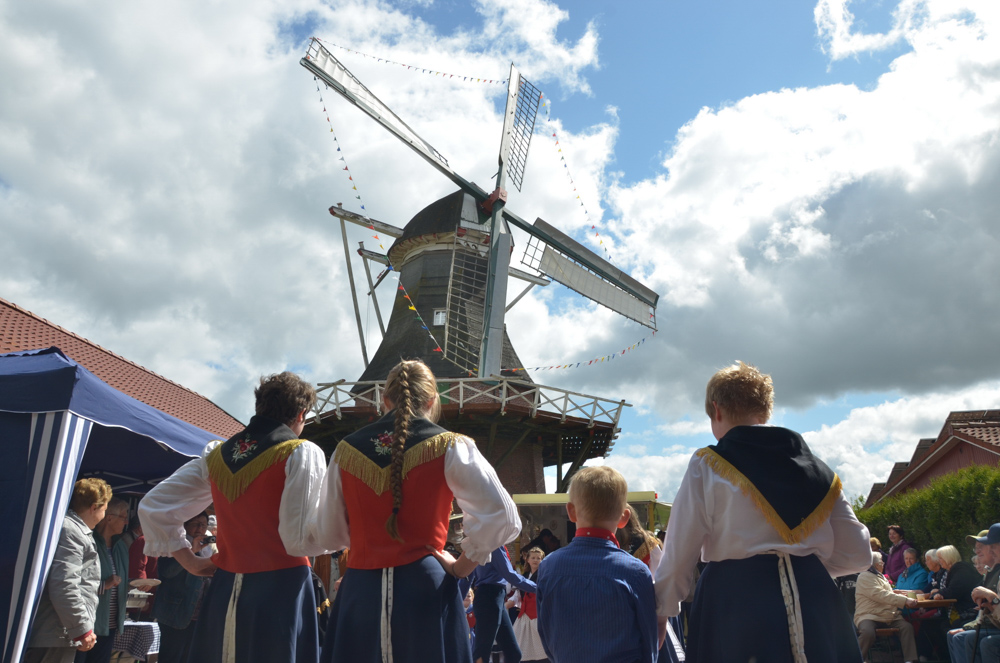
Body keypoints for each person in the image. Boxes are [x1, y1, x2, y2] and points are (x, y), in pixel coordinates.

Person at [654, 361, 872, 663]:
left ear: (716, 410)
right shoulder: (818, 470)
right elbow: (859, 554)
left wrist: (662, 610)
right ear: (766, 410)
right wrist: (801, 563)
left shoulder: (707, 464)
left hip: (736, 602)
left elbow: (679, 553)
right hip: (815, 600)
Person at [314, 359, 522, 663]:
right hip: (426, 588)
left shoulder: (346, 450)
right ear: (432, 400)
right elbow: (502, 517)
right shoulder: (451, 446)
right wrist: (462, 567)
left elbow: (328, 534)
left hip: (361, 592)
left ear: (384, 400)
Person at [139, 371, 331, 663]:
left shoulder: (218, 454)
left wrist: (191, 562)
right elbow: (301, 539)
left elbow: (154, 505)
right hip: (282, 587)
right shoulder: (300, 452)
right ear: (300, 414)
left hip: (225, 585)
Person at [536, 466, 657, 663]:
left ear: (571, 512)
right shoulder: (634, 571)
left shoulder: (549, 566)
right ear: (624, 517)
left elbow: (546, 633)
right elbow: (649, 643)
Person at [25, 478, 111, 663]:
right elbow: (64, 584)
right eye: (105, 509)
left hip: (58, 632)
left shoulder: (72, 529)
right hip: (55, 632)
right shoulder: (72, 531)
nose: (105, 514)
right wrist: (82, 630)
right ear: (94, 507)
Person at [76, 497, 130, 663]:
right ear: (109, 517)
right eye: (123, 516)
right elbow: (76, 582)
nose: (126, 521)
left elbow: (123, 579)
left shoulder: (120, 545)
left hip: (110, 624)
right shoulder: (89, 542)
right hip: (89, 622)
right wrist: (103, 586)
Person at [153, 512, 213, 663]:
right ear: (185, 525)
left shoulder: (206, 548)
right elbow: (167, 572)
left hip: (197, 616)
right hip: (175, 613)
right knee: (171, 657)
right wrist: (191, 551)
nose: (200, 528)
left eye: (203, 525)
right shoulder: (175, 544)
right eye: (196, 524)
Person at [470, 545, 536, 663]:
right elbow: (509, 574)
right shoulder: (494, 545)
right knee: (481, 654)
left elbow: (468, 575)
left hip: (493, 597)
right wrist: (538, 588)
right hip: (490, 597)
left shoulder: (478, 543)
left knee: (513, 653)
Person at [946, 524, 1000, 663]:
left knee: (985, 642)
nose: (978, 550)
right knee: (964, 637)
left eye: (988, 545)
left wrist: (992, 600)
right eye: (976, 547)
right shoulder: (990, 573)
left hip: (993, 627)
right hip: (991, 625)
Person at [855, 551, 919, 662]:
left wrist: (901, 593)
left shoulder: (879, 576)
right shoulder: (864, 576)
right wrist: (905, 600)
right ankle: (856, 659)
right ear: (876, 564)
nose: (883, 563)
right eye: (881, 561)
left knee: (906, 627)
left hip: (887, 615)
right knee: (867, 632)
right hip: (868, 615)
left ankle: (910, 660)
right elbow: (880, 595)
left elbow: (887, 593)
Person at [510, 547, 546, 663]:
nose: (536, 560)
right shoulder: (524, 576)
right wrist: (503, 606)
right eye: (533, 558)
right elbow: (517, 596)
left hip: (539, 615)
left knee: (541, 646)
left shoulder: (544, 575)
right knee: (519, 643)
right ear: (528, 560)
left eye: (539, 558)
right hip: (525, 615)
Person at [931, 544, 980, 622]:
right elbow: (941, 589)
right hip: (955, 610)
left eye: (940, 558)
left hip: (967, 611)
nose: (938, 561)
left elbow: (953, 592)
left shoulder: (962, 570)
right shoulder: (946, 572)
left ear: (948, 558)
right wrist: (936, 593)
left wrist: (938, 592)